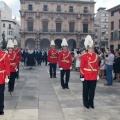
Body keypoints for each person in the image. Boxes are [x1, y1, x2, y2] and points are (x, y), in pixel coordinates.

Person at [80, 35, 99, 109]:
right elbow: (82, 66)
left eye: (92, 48)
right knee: (85, 90)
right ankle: (86, 103)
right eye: (90, 48)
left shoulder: (95, 55)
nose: (91, 49)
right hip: (86, 75)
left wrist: (97, 74)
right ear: (87, 48)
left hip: (93, 75)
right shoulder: (84, 56)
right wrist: (81, 75)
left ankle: (91, 102)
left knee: (92, 90)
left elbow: (97, 65)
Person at [0, 45, 10, 115]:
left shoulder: (4, 54)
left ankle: (1, 109)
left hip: (1, 76)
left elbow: (7, 65)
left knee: (1, 94)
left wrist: (7, 76)